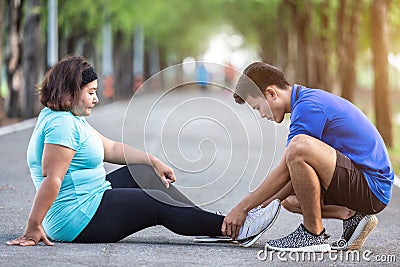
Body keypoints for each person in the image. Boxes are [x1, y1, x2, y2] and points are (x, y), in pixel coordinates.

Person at [6, 55, 281, 247]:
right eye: (90, 92)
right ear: (69, 90)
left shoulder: (68, 118)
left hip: (90, 197)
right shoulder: (62, 125)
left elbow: (109, 148)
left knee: (144, 174)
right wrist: (33, 226)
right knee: (157, 202)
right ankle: (235, 229)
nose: (96, 98)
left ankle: (209, 223)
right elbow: (52, 178)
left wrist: (152, 160)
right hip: (75, 219)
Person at [221, 62, 394, 252]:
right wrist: (258, 209)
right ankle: (351, 214)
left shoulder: (308, 106)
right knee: (287, 199)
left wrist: (242, 208)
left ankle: (312, 234)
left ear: (271, 93)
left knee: (298, 147)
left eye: (258, 107)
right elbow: (292, 174)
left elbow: (285, 169)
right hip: (359, 184)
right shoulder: (303, 101)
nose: (262, 114)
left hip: (371, 187)